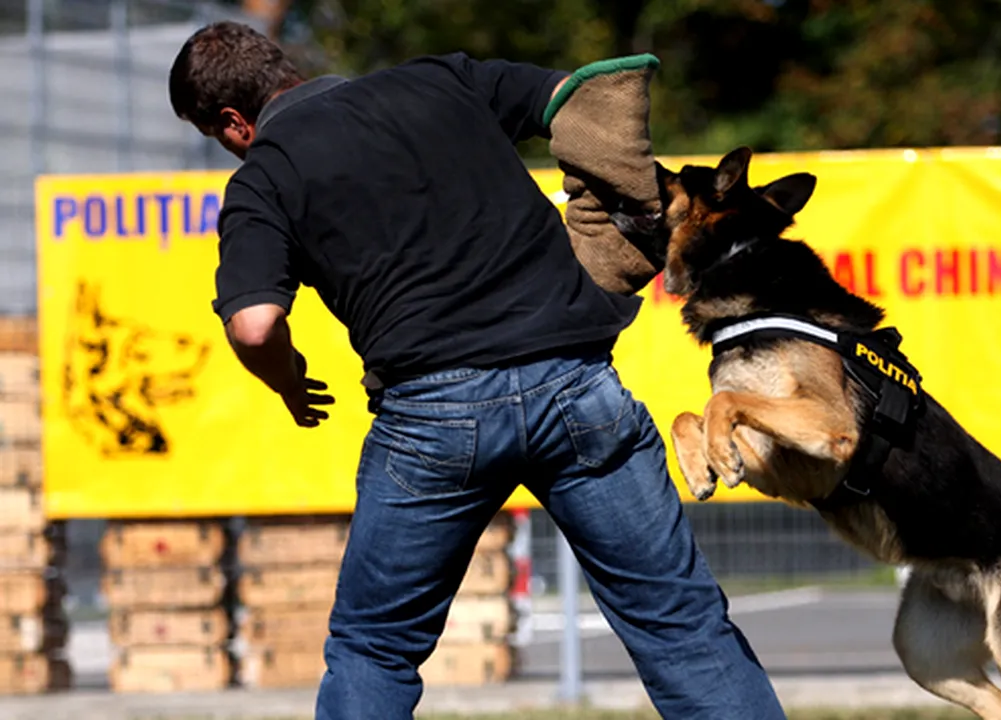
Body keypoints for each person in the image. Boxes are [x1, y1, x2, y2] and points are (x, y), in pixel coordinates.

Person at [167, 21, 786, 720]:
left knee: (376, 648)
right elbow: (580, 99)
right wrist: (628, 208)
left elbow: (254, 324)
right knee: (680, 624)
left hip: (433, 421)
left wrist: (286, 378)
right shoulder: (439, 78)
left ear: (232, 122)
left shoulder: (265, 176)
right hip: (575, 387)